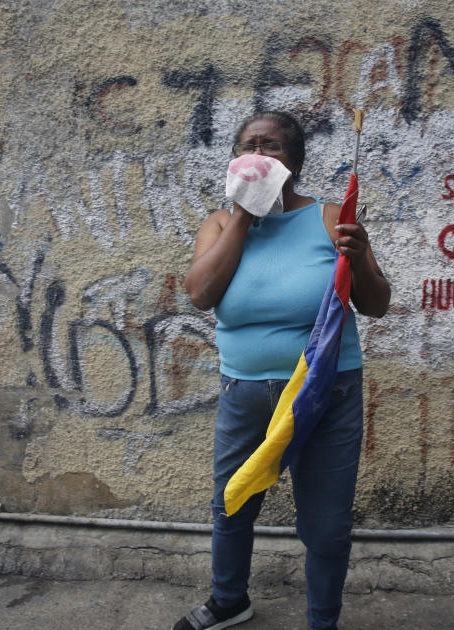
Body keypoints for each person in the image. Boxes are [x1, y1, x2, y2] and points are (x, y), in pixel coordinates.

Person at [174, 110, 390, 630]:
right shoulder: (221, 224)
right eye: (248, 146)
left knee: (326, 523)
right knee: (232, 501)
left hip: (324, 391)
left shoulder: (328, 217)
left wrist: (358, 259)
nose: (258, 155)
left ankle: (322, 621)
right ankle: (229, 601)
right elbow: (201, 294)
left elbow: (377, 304)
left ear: (293, 162)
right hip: (244, 393)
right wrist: (246, 215)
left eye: (270, 146)